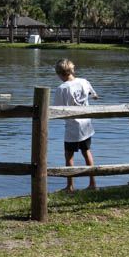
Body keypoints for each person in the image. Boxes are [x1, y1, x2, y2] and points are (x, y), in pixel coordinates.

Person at [54, 58, 99, 191]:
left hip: (72, 127)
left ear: (59, 73)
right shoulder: (84, 81)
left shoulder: (62, 88)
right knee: (87, 153)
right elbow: (94, 95)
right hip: (86, 125)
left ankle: (70, 185)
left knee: (69, 156)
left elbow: (56, 109)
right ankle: (92, 184)